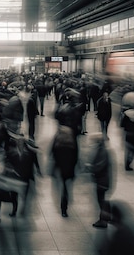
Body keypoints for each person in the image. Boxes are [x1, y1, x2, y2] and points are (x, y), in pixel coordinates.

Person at [51, 88, 83, 217]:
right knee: (67, 175)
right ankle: (65, 203)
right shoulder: (76, 111)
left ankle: (63, 203)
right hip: (71, 144)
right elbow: (79, 128)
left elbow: (55, 116)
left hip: (61, 142)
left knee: (63, 178)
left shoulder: (62, 109)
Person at [86, 133, 113, 228]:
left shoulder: (102, 151)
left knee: (101, 200)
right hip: (103, 179)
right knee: (103, 199)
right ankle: (108, 217)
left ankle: (103, 220)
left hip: (102, 180)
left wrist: (90, 167)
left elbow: (99, 166)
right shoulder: (102, 150)